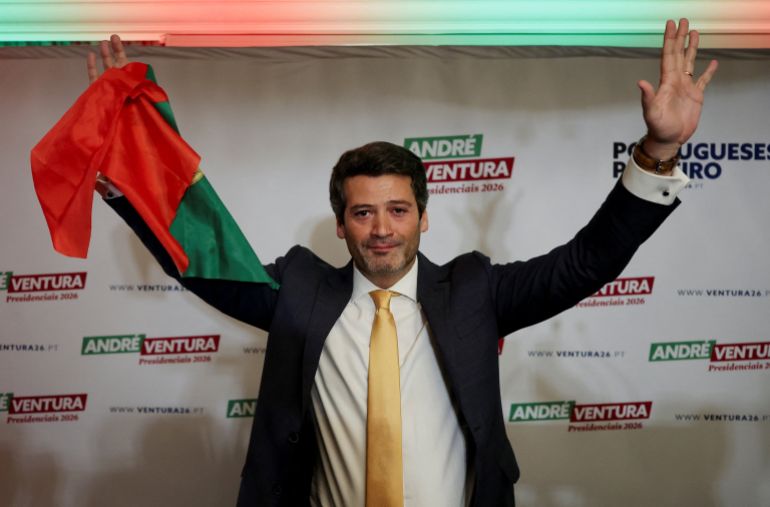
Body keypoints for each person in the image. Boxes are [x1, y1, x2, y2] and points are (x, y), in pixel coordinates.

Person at [88, 18, 717, 507]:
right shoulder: (299, 291)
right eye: (363, 213)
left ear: (423, 216)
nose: (382, 229)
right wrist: (129, 170)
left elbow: (585, 263)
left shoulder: (474, 291)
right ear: (340, 223)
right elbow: (203, 260)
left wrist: (659, 150)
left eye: (398, 210)